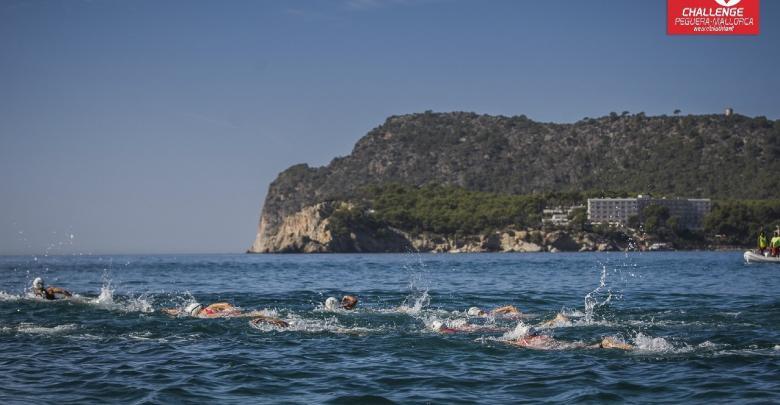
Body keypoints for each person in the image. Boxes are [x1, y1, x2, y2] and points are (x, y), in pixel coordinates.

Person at [163, 302, 243, 318]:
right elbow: (226, 304)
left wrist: (166, 310)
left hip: (226, 315)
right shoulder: (210, 307)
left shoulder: (199, 315)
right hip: (230, 315)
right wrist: (231, 309)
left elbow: (180, 311)